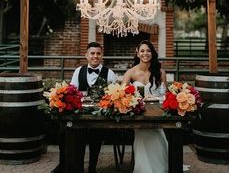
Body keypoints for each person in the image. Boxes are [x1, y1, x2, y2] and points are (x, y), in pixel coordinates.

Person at [52, 42, 116, 173]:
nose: (95, 56)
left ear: (102, 56)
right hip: (80, 114)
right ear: (86, 55)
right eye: (92, 53)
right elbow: (71, 91)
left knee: (96, 134)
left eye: (98, 53)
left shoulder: (109, 73)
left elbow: (113, 95)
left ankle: (92, 168)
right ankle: (69, 166)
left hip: (99, 115)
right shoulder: (78, 71)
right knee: (65, 131)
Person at [122, 40, 168, 173]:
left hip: (157, 114)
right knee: (143, 134)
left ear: (152, 53)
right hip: (139, 115)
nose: (145, 53)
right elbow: (121, 95)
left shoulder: (160, 72)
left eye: (148, 51)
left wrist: (157, 99)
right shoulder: (130, 73)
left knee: (157, 135)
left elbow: (166, 95)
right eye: (142, 51)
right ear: (137, 53)